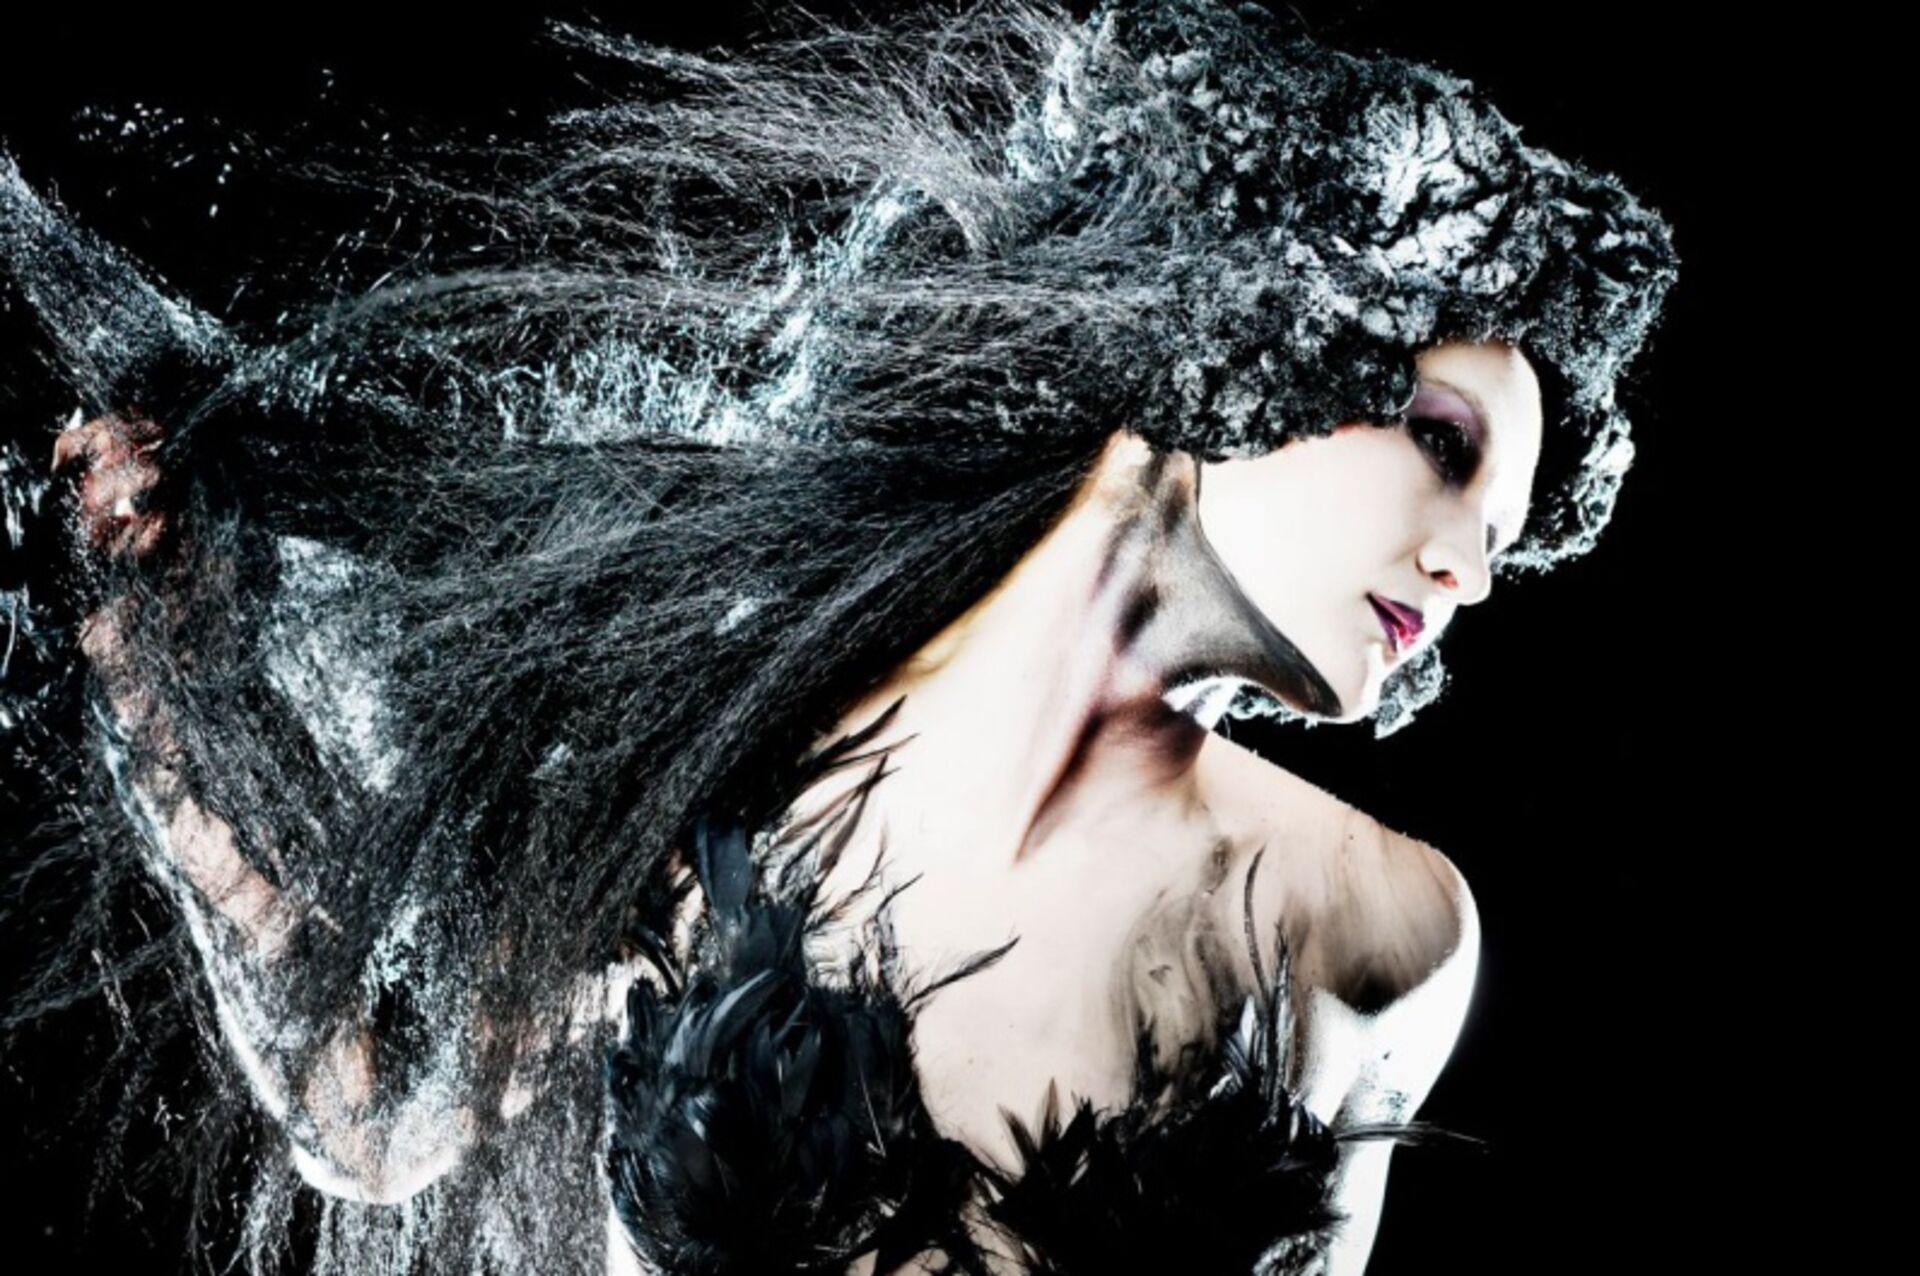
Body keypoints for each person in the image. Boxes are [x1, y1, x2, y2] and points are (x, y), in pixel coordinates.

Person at [0, 1, 1679, 1273]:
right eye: (1444, 446)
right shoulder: (714, 764)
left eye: (1506, 536)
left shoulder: (1375, 923)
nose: (1469, 568)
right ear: (1254, 330)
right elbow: (373, 1115)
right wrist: (158, 685)